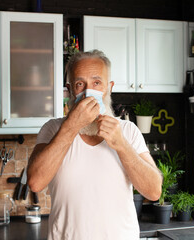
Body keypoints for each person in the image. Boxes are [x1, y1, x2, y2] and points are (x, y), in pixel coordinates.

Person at [27, 50, 162, 240]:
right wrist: (71, 126)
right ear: (70, 89)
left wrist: (122, 145)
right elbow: (35, 182)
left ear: (109, 87)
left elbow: (154, 191)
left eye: (97, 83)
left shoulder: (129, 131)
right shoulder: (52, 129)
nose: (89, 92)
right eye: (80, 84)